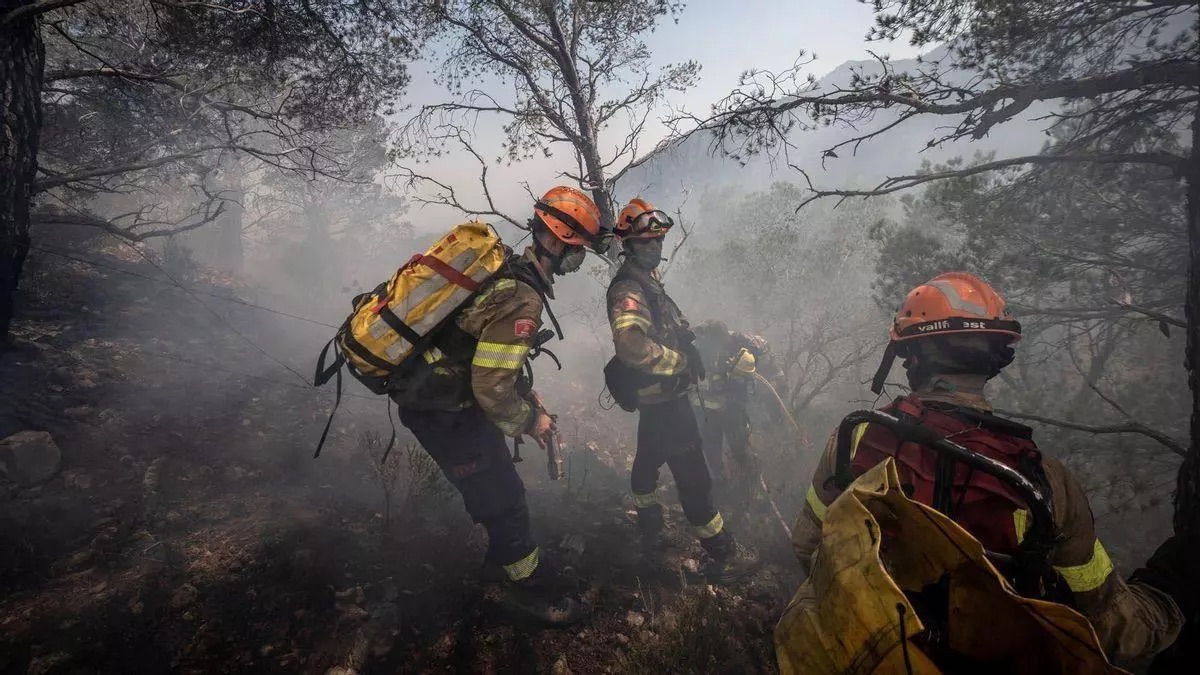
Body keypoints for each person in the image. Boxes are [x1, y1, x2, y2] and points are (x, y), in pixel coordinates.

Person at [790, 271, 1183, 664]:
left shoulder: (857, 439)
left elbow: (809, 547)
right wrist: (1165, 598)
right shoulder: (1043, 480)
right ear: (998, 357)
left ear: (911, 356)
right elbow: (1108, 626)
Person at [392, 186, 606, 626]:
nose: (577, 261)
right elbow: (491, 388)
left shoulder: (505, 272)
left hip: (443, 399)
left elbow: (482, 357)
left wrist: (523, 395)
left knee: (494, 486)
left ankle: (498, 563)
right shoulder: (522, 297)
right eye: (576, 251)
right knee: (506, 498)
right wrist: (530, 421)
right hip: (445, 411)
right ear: (555, 242)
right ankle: (524, 589)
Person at [604, 197, 759, 582]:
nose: (655, 248)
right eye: (645, 242)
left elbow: (665, 328)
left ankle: (651, 528)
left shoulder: (646, 281)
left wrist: (691, 338)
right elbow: (631, 345)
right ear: (629, 245)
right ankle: (725, 556)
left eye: (658, 241)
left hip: (659, 401)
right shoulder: (629, 287)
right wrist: (681, 363)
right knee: (695, 482)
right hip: (668, 402)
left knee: (645, 466)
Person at [691, 320, 788, 503]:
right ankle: (719, 488)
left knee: (739, 449)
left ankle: (749, 488)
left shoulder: (741, 344)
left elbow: (765, 360)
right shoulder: (696, 347)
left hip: (732, 410)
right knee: (712, 451)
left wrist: (777, 381)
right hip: (707, 412)